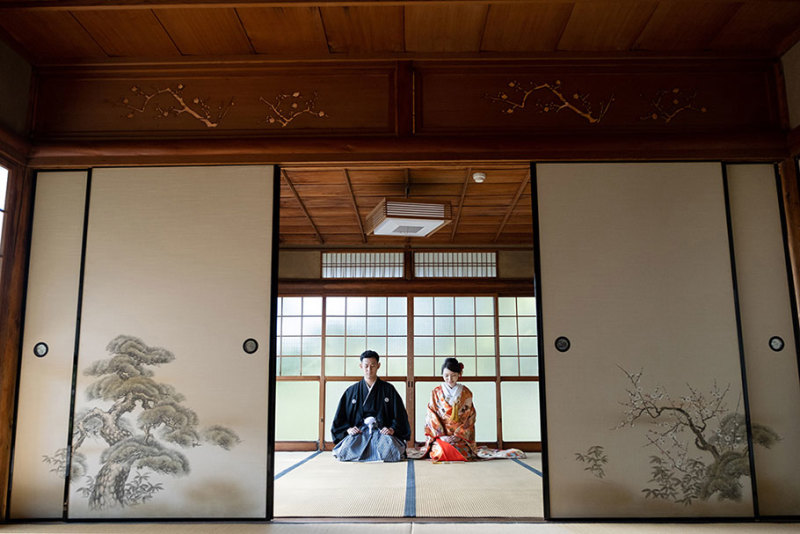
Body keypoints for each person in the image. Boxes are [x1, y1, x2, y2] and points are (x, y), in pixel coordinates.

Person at [409, 357, 526, 462]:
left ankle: (457, 444)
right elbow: (431, 416)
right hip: (441, 436)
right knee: (440, 451)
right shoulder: (436, 392)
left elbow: (470, 416)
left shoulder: (466, 393)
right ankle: (443, 443)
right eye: (446, 375)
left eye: (453, 375)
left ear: (459, 374)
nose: (450, 379)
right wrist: (442, 436)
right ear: (442, 375)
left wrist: (458, 435)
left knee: (462, 451)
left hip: (460, 437)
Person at [331, 350, 411, 462]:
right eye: (366, 366)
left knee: (390, 451)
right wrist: (348, 429)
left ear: (378, 366)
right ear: (361, 366)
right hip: (360, 431)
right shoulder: (351, 391)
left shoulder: (388, 389)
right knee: (345, 452)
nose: (369, 369)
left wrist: (392, 429)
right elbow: (340, 417)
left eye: (373, 366)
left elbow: (400, 415)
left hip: (381, 431)